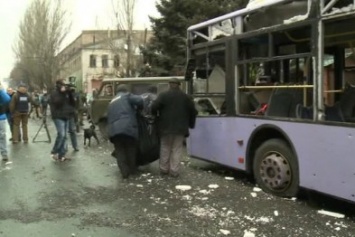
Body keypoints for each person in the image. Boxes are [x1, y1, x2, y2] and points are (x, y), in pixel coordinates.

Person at [151, 78, 197, 177]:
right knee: (176, 149)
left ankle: (164, 169)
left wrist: (156, 116)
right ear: (179, 85)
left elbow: (153, 107)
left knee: (165, 147)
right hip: (180, 128)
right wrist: (191, 124)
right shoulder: (186, 97)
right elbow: (193, 111)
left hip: (165, 127)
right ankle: (174, 171)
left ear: (169, 85)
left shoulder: (163, 95)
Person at [107, 84, 143, 179]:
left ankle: (124, 173)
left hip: (114, 130)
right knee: (130, 149)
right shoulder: (126, 95)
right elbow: (139, 100)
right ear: (125, 90)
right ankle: (132, 170)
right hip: (127, 128)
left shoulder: (112, 101)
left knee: (120, 151)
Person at [49, 79, 76, 161]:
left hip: (66, 116)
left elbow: (73, 103)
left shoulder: (66, 93)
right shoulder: (54, 93)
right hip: (58, 116)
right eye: (63, 84)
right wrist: (62, 93)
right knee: (62, 135)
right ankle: (54, 151)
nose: (65, 86)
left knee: (65, 137)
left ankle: (61, 155)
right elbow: (57, 103)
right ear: (59, 85)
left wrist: (70, 93)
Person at [0, 84, 11, 161]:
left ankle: (4, 153)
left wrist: (0, 90)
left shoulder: (1, 92)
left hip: (1, 117)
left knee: (2, 136)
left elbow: (7, 99)